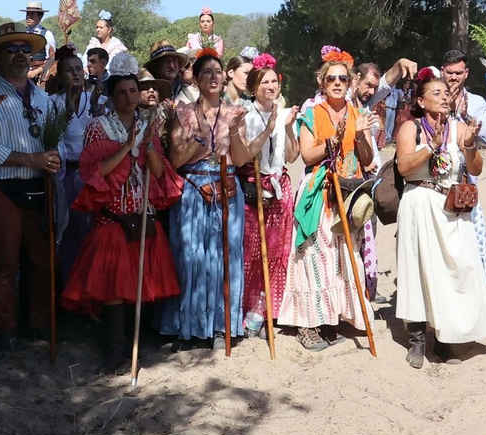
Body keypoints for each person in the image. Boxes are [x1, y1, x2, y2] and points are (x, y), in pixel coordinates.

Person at [62, 71, 181, 372]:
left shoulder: (146, 126)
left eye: (133, 91)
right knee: (114, 285)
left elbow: (156, 173)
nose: (129, 97)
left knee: (137, 282)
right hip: (112, 213)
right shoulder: (98, 127)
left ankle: (130, 346)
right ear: (112, 97)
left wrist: (149, 144)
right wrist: (128, 147)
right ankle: (114, 350)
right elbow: (95, 172)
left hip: (140, 210)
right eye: (122, 92)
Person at [393, 67, 486, 366]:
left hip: (451, 208)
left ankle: (445, 339)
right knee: (417, 270)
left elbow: (476, 169)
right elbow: (403, 167)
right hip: (420, 202)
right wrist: (431, 147)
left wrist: (468, 147)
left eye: (445, 94)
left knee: (455, 269)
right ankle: (416, 341)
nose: (443, 98)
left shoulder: (460, 127)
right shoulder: (410, 128)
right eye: (435, 93)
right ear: (421, 101)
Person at [277, 48, 376, 350]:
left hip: (348, 193)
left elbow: (368, 159)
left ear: (350, 83)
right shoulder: (312, 114)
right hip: (320, 192)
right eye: (330, 78)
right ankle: (310, 323)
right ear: (322, 82)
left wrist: (358, 136)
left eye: (343, 78)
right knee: (315, 257)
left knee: (344, 257)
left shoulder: (359, 115)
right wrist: (332, 141)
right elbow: (307, 155)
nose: (337, 83)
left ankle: (333, 316)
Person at [161, 49, 251, 347]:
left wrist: (236, 133)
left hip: (227, 189)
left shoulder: (236, 112)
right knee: (192, 255)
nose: (213, 77)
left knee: (226, 254)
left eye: (217, 71)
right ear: (196, 80)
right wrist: (198, 133)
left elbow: (240, 160)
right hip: (194, 189)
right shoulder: (183, 113)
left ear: (225, 78)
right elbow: (175, 160)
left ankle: (221, 324)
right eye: (206, 73)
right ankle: (188, 326)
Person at [0, 23, 57, 349]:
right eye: (12, 49)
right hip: (0, 188)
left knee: (42, 261)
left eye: (25, 49)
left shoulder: (45, 98)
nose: (21, 55)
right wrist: (32, 160)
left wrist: (52, 159)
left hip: (39, 187)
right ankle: (5, 328)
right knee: (5, 262)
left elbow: (56, 139)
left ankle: (38, 324)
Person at [236, 55, 296, 336]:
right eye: (265, 82)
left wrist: (285, 128)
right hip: (254, 185)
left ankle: (267, 308)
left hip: (279, 186)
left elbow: (293, 156)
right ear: (253, 88)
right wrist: (269, 130)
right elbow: (243, 155)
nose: (271, 86)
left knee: (275, 251)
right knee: (252, 251)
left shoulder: (284, 114)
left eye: (274, 81)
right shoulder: (245, 115)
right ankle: (247, 309)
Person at [439, 49, 486, 281]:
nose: (453, 78)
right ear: (442, 71)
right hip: (437, 175)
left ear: (466, 73)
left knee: (471, 225)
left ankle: (478, 275)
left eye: (458, 73)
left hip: (465, 175)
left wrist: (465, 116)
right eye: (449, 73)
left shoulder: (477, 102)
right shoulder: (433, 96)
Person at [53, 47, 95, 282]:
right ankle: (68, 283)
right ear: (60, 76)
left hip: (90, 175)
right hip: (66, 175)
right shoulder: (53, 102)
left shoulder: (95, 100)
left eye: (78, 69)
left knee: (90, 232)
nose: (75, 74)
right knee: (68, 231)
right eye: (69, 70)